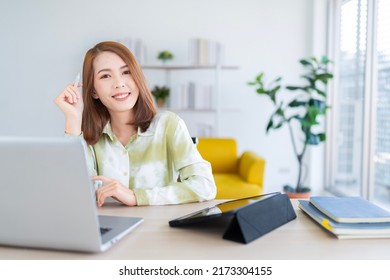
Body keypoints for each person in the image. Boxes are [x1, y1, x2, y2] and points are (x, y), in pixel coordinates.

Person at [54, 41, 216, 207]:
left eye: (126, 72)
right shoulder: (88, 139)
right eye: (105, 76)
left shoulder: (168, 125)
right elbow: (72, 193)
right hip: (106, 229)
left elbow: (204, 186)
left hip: (158, 230)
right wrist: (73, 120)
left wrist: (136, 197)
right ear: (93, 91)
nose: (119, 83)